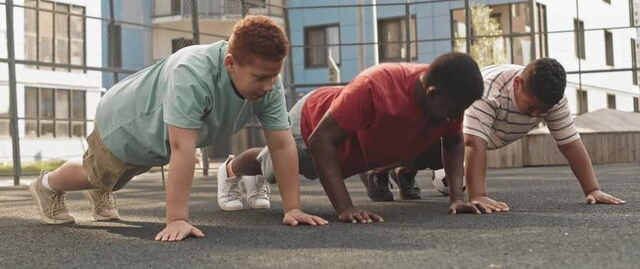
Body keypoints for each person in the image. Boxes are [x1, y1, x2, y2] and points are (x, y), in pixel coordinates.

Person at [28, 15, 327, 242]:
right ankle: (48, 185)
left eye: (274, 75)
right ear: (230, 63)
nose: (270, 85)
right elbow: (183, 148)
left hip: (157, 137)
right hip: (126, 121)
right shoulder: (192, 73)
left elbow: (282, 144)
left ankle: (102, 189)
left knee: (117, 176)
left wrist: (293, 208)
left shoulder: (267, 83)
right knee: (96, 174)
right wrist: (177, 219)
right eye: (261, 77)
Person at [221, 53, 485, 223]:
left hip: (360, 140)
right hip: (311, 127)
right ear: (432, 92)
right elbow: (320, 140)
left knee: (440, 138)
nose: (457, 115)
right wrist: (345, 207)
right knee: (270, 167)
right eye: (454, 109)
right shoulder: (377, 85)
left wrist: (456, 199)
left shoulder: (449, 100)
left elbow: (453, 144)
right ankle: (231, 169)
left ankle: (375, 171)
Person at [463, 59, 625, 212]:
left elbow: (570, 145)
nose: (536, 114)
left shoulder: (554, 99)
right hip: (451, 128)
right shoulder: (488, 91)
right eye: (532, 107)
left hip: (488, 135)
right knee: (440, 155)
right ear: (517, 84)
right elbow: (473, 142)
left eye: (544, 110)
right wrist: (478, 195)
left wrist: (592, 189)